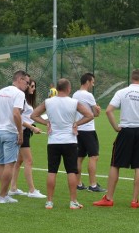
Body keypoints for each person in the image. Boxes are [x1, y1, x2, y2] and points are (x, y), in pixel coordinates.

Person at [93, 68, 139, 209]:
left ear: (131, 78)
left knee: (115, 164)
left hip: (125, 130)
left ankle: (109, 198)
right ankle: (134, 200)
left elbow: (108, 110)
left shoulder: (122, 92)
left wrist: (115, 127)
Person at [31, 78, 94, 210]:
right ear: (68, 89)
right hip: (70, 140)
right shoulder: (74, 102)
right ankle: (73, 201)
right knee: (71, 171)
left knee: (52, 171)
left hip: (53, 141)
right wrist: (76, 123)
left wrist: (46, 123)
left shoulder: (48, 102)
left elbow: (34, 115)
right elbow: (89, 115)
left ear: (57, 89)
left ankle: (49, 201)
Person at [0, 70, 29, 204]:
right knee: (10, 164)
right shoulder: (19, 93)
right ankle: (3, 196)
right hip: (10, 132)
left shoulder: (1, 91)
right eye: (26, 82)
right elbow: (16, 114)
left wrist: (3, 114)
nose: (27, 85)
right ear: (20, 79)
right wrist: (20, 132)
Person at [8, 80, 46, 199]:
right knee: (28, 161)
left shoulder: (26, 100)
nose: (34, 89)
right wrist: (32, 128)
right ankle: (31, 190)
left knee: (19, 161)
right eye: (32, 86)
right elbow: (17, 118)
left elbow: (27, 118)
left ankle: (13, 188)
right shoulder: (22, 99)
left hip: (26, 131)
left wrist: (33, 126)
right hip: (22, 132)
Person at [73, 73, 106, 193]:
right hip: (88, 130)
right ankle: (93, 185)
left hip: (78, 129)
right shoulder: (88, 95)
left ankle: (78, 183)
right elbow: (94, 114)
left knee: (79, 157)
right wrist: (98, 110)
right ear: (87, 81)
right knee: (94, 156)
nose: (93, 84)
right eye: (92, 82)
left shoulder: (75, 94)